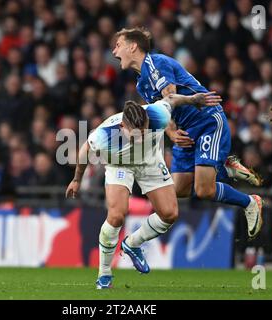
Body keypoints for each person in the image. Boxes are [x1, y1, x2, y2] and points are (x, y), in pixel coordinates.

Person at [112, 27, 263, 240]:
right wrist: (172, 134)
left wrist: (176, 122)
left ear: (133, 46)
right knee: (179, 189)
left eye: (118, 45)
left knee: (204, 190)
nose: (114, 51)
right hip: (185, 130)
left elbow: (170, 98)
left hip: (206, 120)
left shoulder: (156, 64)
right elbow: (160, 111)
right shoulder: (141, 82)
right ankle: (223, 169)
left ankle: (249, 201)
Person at [66, 92, 222, 289]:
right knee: (116, 216)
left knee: (170, 213)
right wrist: (76, 180)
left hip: (150, 163)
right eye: (135, 136)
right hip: (120, 166)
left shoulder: (157, 114)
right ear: (123, 128)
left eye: (144, 132)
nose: (140, 139)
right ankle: (104, 276)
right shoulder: (104, 135)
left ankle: (132, 243)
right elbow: (84, 152)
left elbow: (171, 99)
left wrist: (192, 100)